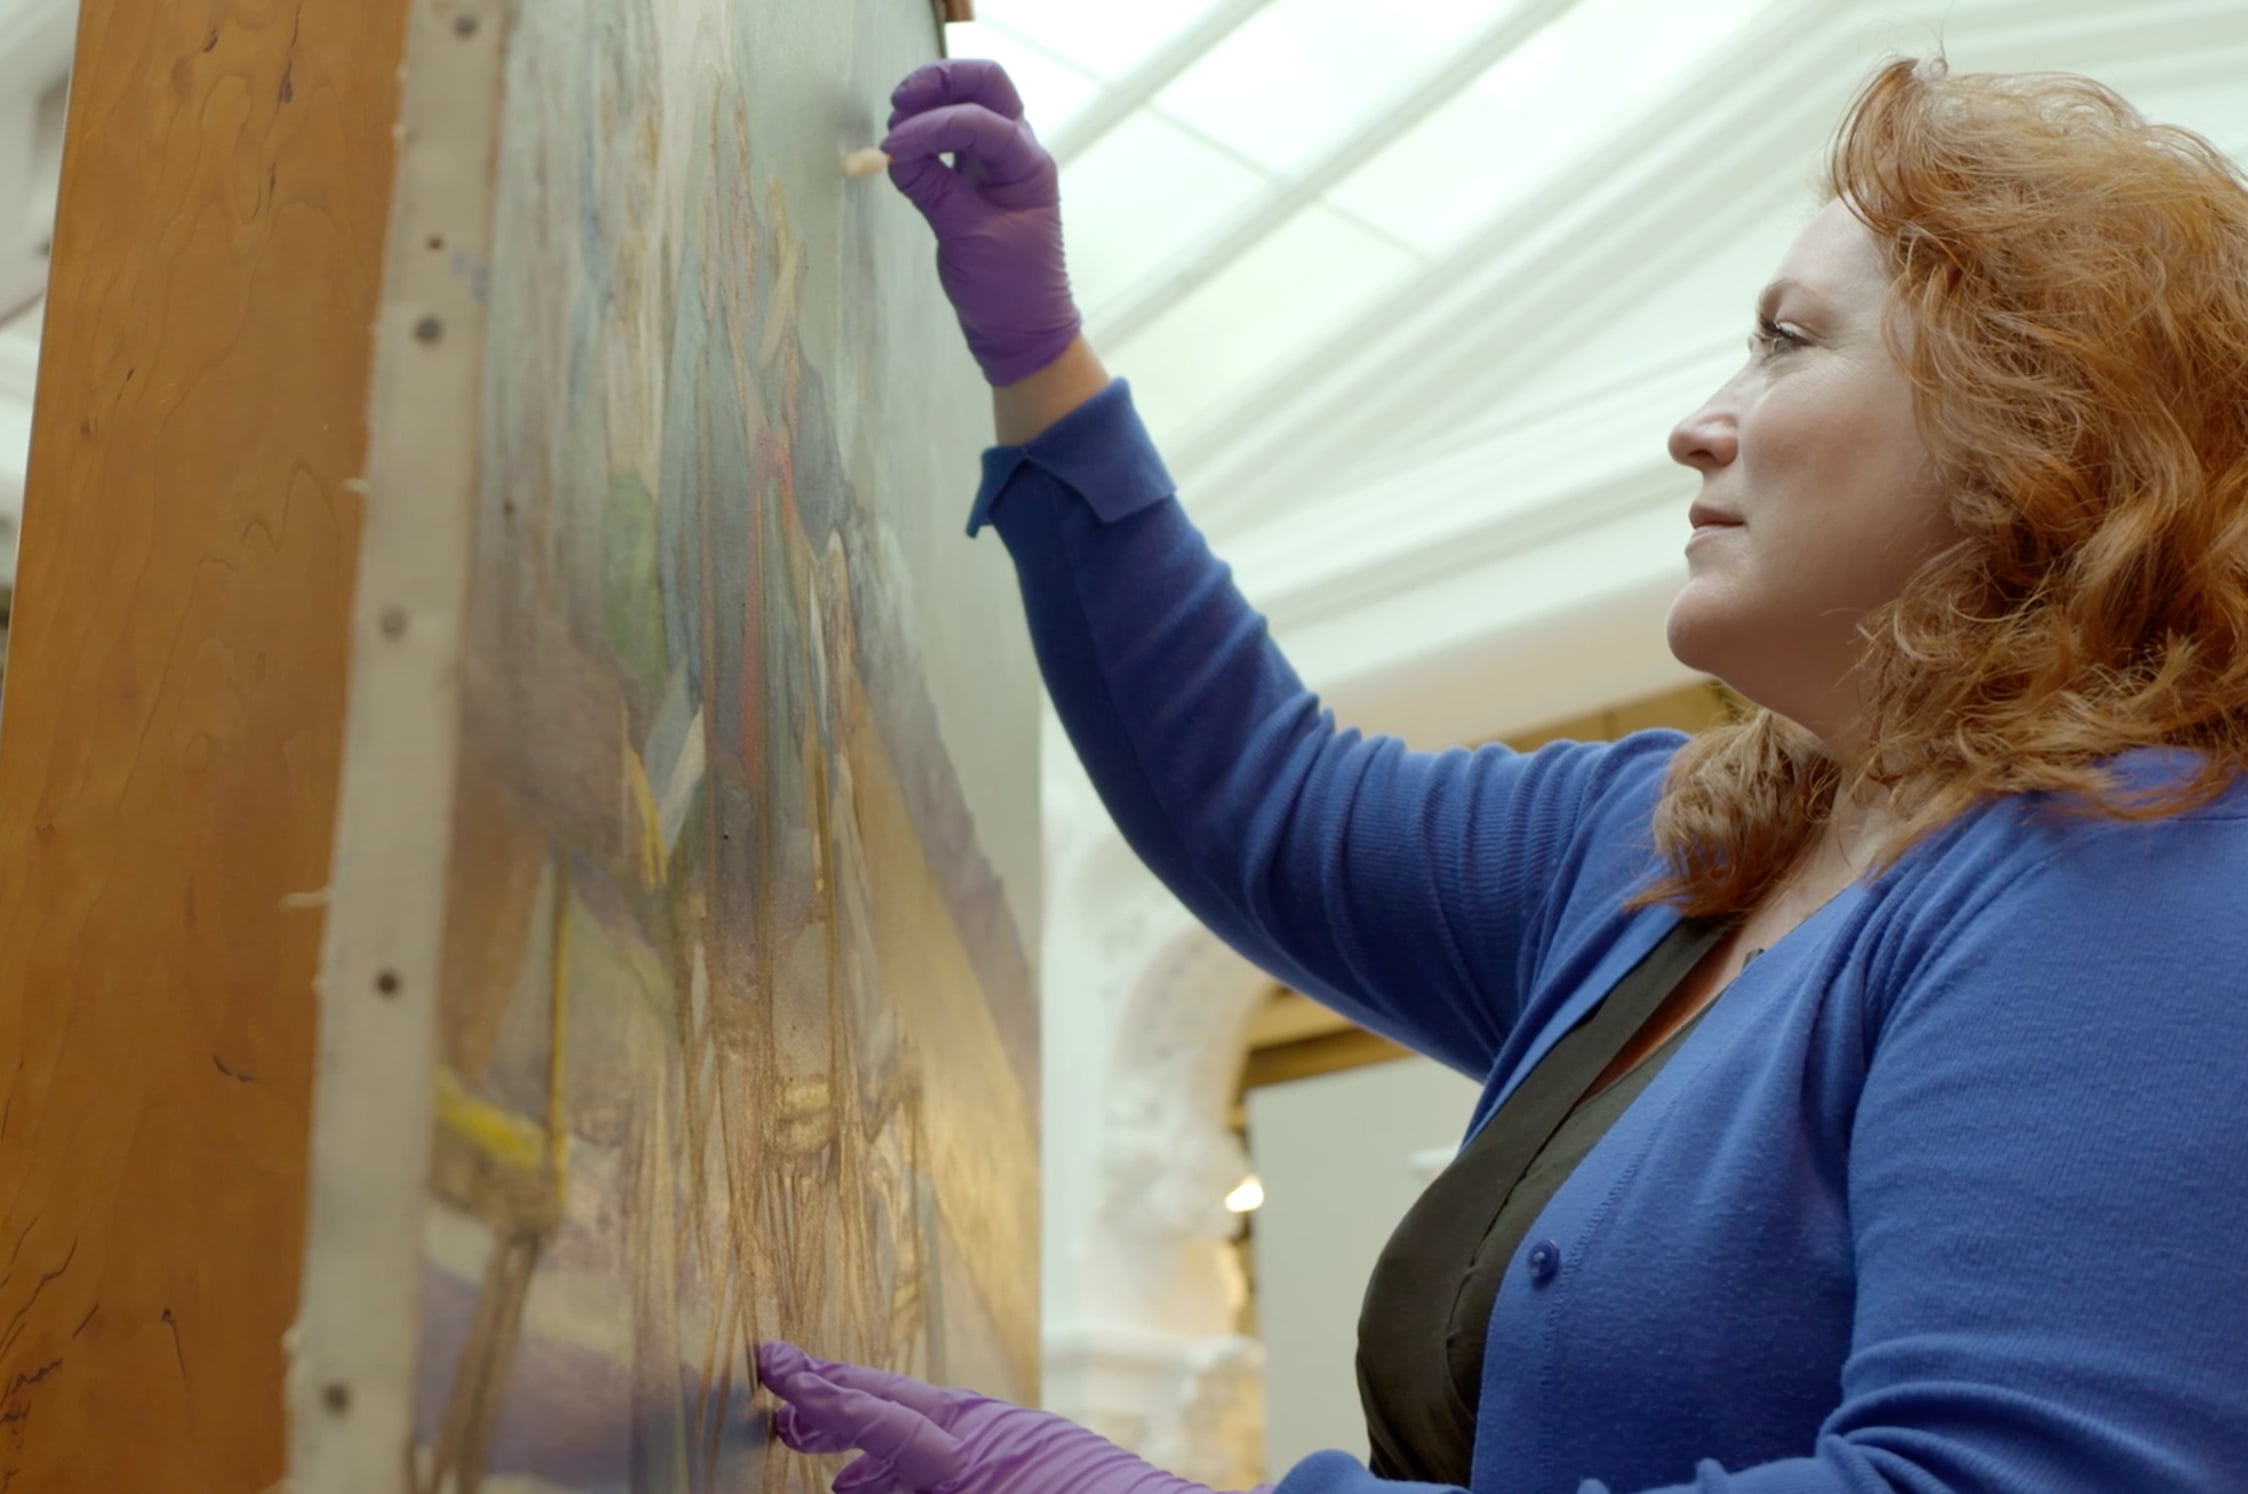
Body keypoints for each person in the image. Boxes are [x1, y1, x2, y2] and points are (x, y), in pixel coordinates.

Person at [758, 53, 2248, 1494]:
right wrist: (1040, 362)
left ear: (2037, 429)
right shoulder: (1666, 848)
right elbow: (1261, 798)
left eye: (1788, 342)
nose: (1697, 423)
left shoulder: (2140, 870)